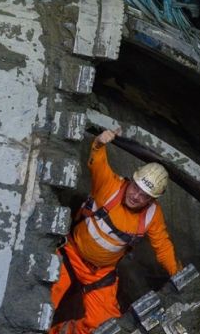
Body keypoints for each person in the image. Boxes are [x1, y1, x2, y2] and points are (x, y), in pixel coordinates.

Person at [50, 129, 181, 333]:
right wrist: (99, 143)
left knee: (105, 327)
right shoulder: (110, 186)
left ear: (153, 199)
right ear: (132, 180)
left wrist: (178, 275)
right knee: (43, 301)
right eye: (136, 187)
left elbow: (163, 246)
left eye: (145, 195)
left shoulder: (152, 215)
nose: (136, 196)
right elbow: (97, 163)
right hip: (70, 253)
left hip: (100, 273)